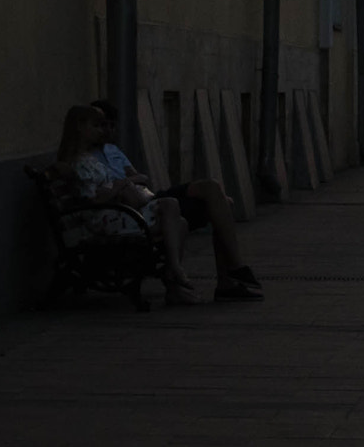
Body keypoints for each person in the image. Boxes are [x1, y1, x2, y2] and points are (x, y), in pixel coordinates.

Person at [90, 99, 262, 300]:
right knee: (223, 204)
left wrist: (125, 181)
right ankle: (231, 275)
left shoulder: (113, 151)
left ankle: (232, 271)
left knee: (212, 189)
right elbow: (101, 191)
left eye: (111, 125)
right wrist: (124, 184)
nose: (108, 130)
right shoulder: (86, 157)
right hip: (137, 209)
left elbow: (141, 177)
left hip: (148, 198)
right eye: (102, 125)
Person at [55, 105, 199, 305]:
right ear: (80, 127)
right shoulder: (78, 163)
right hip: (102, 221)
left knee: (179, 222)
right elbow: (93, 200)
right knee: (170, 205)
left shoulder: (88, 159)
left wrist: (119, 187)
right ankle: (174, 272)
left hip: (115, 215)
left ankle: (173, 283)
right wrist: (120, 186)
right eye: (96, 125)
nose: (101, 130)